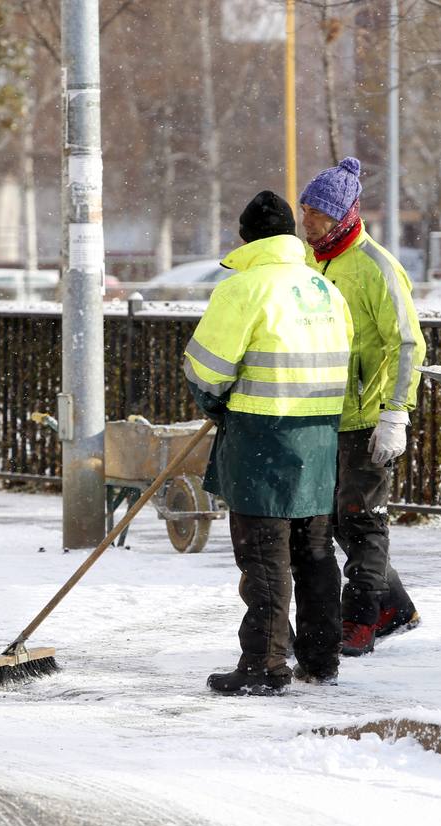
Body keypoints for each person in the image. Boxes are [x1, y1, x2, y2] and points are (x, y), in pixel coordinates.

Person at [183, 190, 354, 695]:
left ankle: (264, 664)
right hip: (319, 440)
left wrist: (215, 403)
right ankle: (322, 660)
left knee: (264, 558)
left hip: (262, 437)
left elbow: (206, 368)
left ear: (245, 238)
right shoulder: (324, 288)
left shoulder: (244, 289)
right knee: (315, 553)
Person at [299, 157, 426, 657]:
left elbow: (407, 344)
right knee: (330, 522)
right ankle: (395, 607)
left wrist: (396, 413)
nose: (306, 221)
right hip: (320, 418)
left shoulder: (376, 267)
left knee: (362, 521)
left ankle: (361, 621)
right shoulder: (309, 263)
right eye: (304, 210)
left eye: (316, 213)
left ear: (343, 216)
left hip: (366, 419)